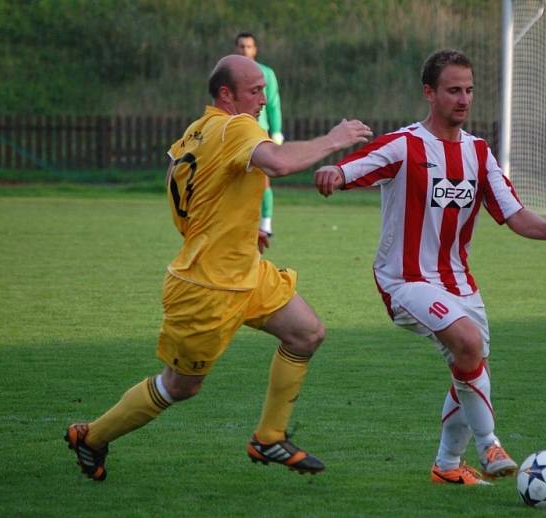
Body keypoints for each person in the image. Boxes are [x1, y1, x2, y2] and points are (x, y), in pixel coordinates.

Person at [64, 54, 373, 481]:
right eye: (255, 90)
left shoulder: (197, 129)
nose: (264, 98)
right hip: (207, 287)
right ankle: (92, 436)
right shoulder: (236, 126)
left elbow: (186, 188)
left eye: (264, 89)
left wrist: (233, 230)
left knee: (306, 333)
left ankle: (269, 437)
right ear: (226, 94)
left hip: (242, 268)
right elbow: (279, 164)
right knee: (180, 386)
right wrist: (334, 139)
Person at [314, 49, 546, 486]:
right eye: (453, 90)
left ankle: (447, 467)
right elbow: (354, 168)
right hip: (405, 279)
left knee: (472, 364)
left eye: (469, 90)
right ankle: (489, 444)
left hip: (459, 283)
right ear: (429, 93)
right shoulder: (405, 144)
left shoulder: (479, 153)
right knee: (467, 341)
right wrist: (334, 172)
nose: (463, 99)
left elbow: (514, 214)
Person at [235, 31, 282, 237]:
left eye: (249, 46)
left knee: (262, 178)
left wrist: (277, 131)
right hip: (234, 131)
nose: (245, 50)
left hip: (258, 131)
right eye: (241, 46)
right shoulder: (228, 72)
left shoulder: (266, 73)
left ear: (255, 49)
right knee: (233, 178)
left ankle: (266, 222)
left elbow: (273, 103)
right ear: (236, 49)